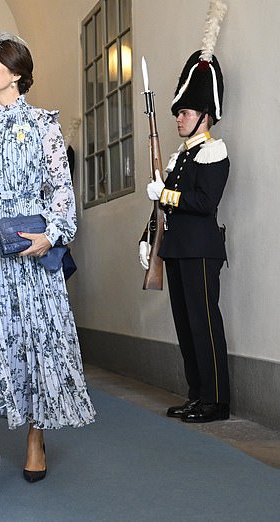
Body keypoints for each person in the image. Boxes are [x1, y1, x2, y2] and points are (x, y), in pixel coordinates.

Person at [0, 28, 96, 494]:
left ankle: (36, 437)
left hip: (33, 256)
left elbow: (61, 193)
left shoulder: (43, 124)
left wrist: (50, 235)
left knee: (35, 346)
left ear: (16, 73)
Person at [141, 48, 230, 423]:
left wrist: (166, 194)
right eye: (179, 113)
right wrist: (147, 237)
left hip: (201, 250)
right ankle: (197, 395)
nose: (180, 118)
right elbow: (163, 209)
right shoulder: (179, 158)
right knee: (184, 325)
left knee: (204, 324)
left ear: (204, 117)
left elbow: (205, 202)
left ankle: (215, 401)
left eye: (187, 113)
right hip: (177, 250)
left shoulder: (214, 151)